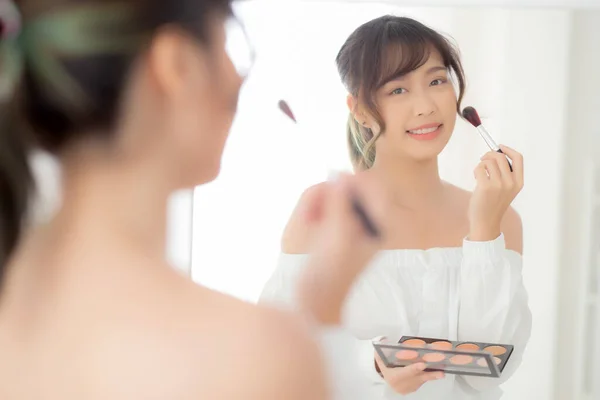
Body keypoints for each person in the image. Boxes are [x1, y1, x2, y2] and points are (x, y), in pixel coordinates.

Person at [0, 1, 391, 399]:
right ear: (178, 65)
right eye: (229, 43)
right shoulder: (252, 356)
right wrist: (320, 324)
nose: (237, 77)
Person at [260, 15, 532, 400]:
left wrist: (485, 230)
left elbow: (486, 375)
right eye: (397, 90)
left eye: (437, 81)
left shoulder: (501, 217)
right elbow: (279, 353)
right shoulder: (328, 212)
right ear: (360, 110)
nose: (425, 106)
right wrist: (371, 364)